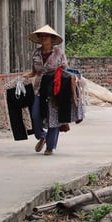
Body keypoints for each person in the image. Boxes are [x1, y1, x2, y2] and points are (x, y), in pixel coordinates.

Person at [24, 24, 70, 156]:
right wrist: (23, 77)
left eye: (46, 36)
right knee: (35, 115)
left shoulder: (59, 53)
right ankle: (42, 136)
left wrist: (64, 66)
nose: (43, 38)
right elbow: (34, 72)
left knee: (53, 118)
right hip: (38, 89)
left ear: (52, 39)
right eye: (41, 36)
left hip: (55, 90)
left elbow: (65, 69)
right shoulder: (36, 53)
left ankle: (50, 146)